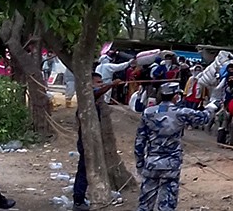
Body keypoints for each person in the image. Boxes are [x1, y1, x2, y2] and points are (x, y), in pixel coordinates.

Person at [134, 83, 218, 211]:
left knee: (145, 204)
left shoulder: (148, 112)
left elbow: (140, 141)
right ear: (176, 96)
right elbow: (203, 118)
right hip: (171, 163)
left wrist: (140, 163)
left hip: (151, 162)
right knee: (167, 203)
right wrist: (212, 106)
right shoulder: (181, 112)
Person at [72, 73, 125, 210]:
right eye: (98, 82)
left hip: (91, 140)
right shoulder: (87, 97)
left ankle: (81, 196)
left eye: (102, 82)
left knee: (88, 168)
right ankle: (78, 201)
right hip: (86, 140)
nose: (100, 84)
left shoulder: (92, 100)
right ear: (89, 83)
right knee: (84, 169)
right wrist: (111, 85)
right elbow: (97, 92)